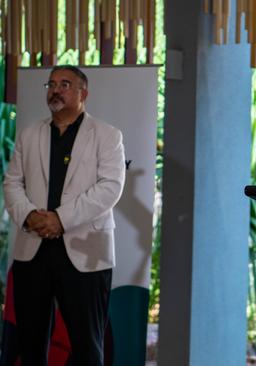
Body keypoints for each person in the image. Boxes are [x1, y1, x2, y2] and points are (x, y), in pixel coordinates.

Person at [3, 65, 125, 365]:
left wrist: (60, 219)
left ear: (83, 93)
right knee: (30, 343)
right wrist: (31, 216)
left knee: (87, 345)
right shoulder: (29, 133)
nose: (56, 89)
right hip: (33, 250)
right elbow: (12, 183)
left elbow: (110, 188)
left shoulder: (108, 135)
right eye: (52, 83)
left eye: (65, 84)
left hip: (85, 253)